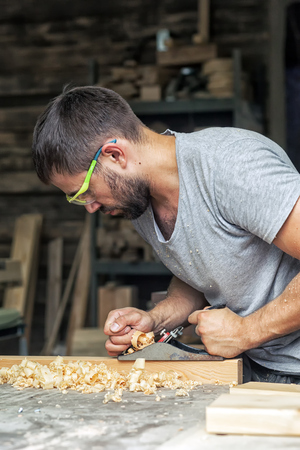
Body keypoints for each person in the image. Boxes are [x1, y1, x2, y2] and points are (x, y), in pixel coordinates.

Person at [32, 85, 300, 383]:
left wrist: (248, 331)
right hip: (254, 367)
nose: (90, 207)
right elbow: (205, 271)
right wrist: (155, 320)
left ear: (114, 155)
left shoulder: (230, 166)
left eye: (84, 192)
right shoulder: (141, 203)